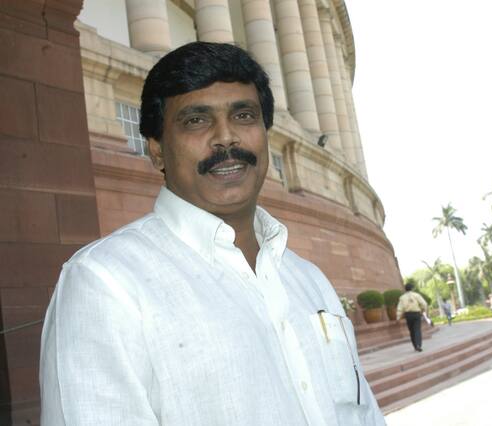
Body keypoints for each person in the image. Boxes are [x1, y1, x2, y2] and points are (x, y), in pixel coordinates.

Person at [39, 42, 385, 426]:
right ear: (157, 150)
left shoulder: (310, 280)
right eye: (196, 120)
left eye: (244, 115)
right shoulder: (105, 285)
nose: (226, 137)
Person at [396, 282, 428, 352]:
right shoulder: (416, 295)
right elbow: (424, 304)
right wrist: (424, 310)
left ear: (405, 289)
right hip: (416, 314)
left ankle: (415, 346)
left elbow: (400, 308)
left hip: (408, 315)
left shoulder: (402, 297)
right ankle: (418, 345)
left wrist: (398, 317)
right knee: (417, 330)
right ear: (412, 288)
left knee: (411, 331)